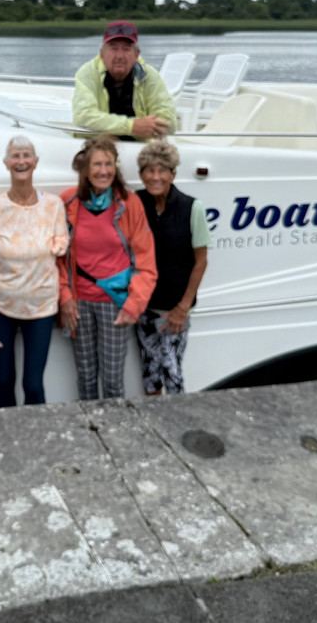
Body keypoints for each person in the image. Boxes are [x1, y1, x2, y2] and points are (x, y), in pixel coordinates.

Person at [59, 136, 157, 400]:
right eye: (97, 164)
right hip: (79, 304)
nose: (104, 171)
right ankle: (93, 432)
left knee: (113, 380)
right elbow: (58, 258)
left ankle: (116, 433)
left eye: (109, 164)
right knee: (86, 376)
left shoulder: (128, 203)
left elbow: (146, 262)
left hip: (115, 303)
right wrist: (65, 298)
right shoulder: (69, 202)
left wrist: (134, 305)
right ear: (85, 169)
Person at [0, 136, 69, 407]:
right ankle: (7, 438)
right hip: (1, 307)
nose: (21, 161)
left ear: (35, 162)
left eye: (26, 155)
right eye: (15, 156)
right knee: (3, 381)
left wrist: (60, 244)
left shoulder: (53, 205)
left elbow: (61, 239)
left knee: (33, 384)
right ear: (6, 163)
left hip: (41, 308)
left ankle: (36, 439)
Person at [135, 140, 210, 395]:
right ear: (141, 174)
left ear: (173, 174)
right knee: (150, 375)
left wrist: (183, 307)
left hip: (174, 311)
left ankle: (176, 427)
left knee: (173, 375)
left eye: (162, 170)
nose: (155, 177)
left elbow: (201, 261)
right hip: (145, 309)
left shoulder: (192, 207)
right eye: (149, 170)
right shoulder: (137, 203)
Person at [71, 20, 176, 140]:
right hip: (97, 146)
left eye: (126, 49)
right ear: (102, 54)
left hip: (139, 147)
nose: (120, 56)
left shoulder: (149, 76)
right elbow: (83, 117)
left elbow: (169, 122)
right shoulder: (87, 73)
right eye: (113, 48)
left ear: (136, 54)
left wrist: (151, 126)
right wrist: (131, 126)